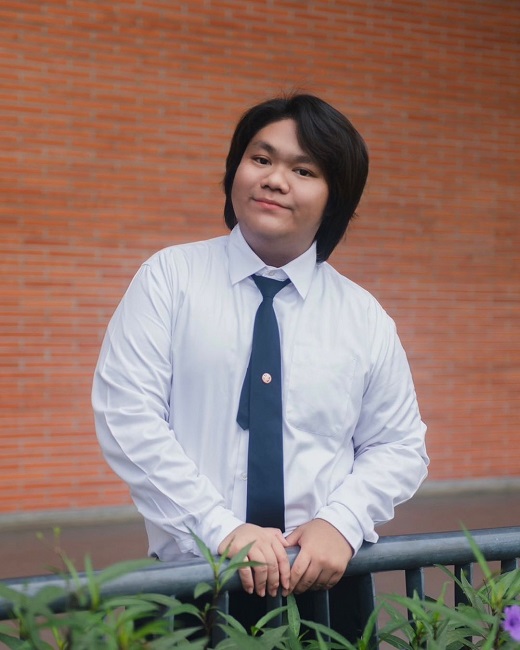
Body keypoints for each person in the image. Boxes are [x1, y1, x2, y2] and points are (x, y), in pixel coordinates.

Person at [92, 93, 428, 607]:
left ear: (336, 198)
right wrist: (220, 528)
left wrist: (341, 521)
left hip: (324, 587)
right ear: (235, 170)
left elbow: (399, 445)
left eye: (304, 170)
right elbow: (128, 415)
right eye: (261, 159)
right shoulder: (169, 279)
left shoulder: (363, 317)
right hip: (196, 580)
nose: (275, 180)